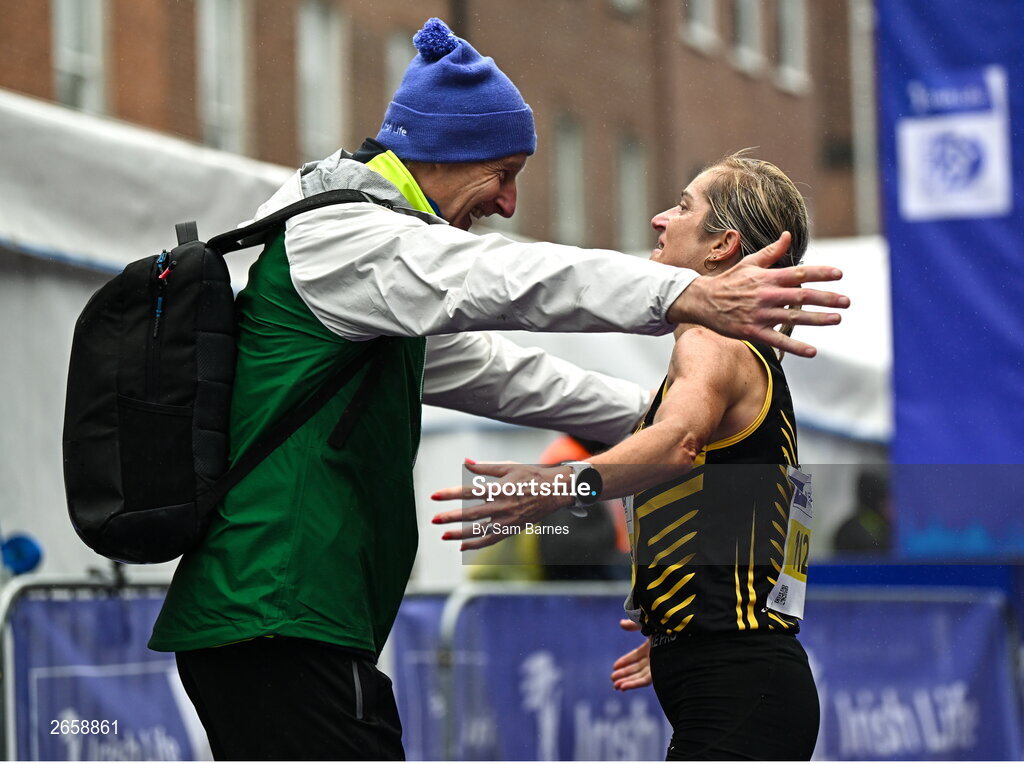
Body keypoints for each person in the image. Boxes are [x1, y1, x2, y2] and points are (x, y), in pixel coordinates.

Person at [149, 15, 844, 760]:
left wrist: (691, 598)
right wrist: (679, 296)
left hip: (290, 616)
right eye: (505, 174)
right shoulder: (351, 236)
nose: (508, 204)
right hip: (272, 608)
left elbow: (507, 376)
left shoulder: (381, 271)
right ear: (446, 153)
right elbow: (510, 279)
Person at [433, 152, 821, 759]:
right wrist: (690, 630)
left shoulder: (712, 342)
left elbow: (677, 444)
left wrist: (553, 485)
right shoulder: (747, 360)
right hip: (742, 675)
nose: (660, 218)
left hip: (743, 684)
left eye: (684, 206)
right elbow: (764, 520)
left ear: (722, 245)